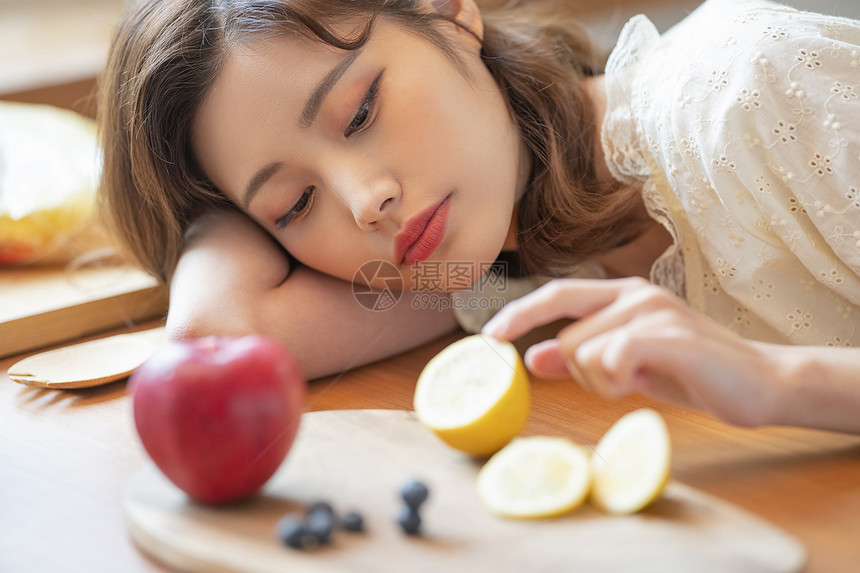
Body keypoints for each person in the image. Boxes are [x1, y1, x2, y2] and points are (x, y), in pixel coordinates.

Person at [97, 0, 860, 433]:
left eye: (360, 110)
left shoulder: (749, 90)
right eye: (295, 204)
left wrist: (776, 380)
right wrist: (209, 201)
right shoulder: (498, 274)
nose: (367, 202)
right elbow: (215, 338)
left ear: (448, 15)